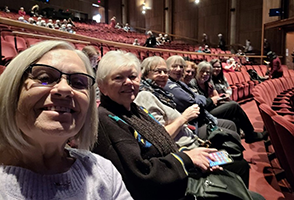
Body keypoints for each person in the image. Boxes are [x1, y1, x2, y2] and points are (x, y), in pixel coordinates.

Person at [92, 51, 264, 200]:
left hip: (176, 171)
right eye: (118, 78)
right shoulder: (107, 120)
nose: (128, 82)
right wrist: (188, 159)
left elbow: (163, 143)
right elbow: (142, 176)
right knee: (251, 192)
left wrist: (194, 158)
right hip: (167, 191)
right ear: (102, 85)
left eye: (132, 76)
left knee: (237, 169)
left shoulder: (134, 109)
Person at [0, 40, 132, 199]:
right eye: (45, 78)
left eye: (78, 83)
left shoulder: (103, 171)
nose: (64, 89)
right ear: (13, 90)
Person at [164, 56, 267, 144]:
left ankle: (242, 139)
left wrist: (212, 99)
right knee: (233, 106)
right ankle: (250, 134)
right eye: (203, 72)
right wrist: (209, 99)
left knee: (234, 116)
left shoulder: (205, 82)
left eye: (208, 72)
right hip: (200, 115)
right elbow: (196, 101)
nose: (205, 74)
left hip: (205, 109)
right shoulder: (187, 83)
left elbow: (204, 98)